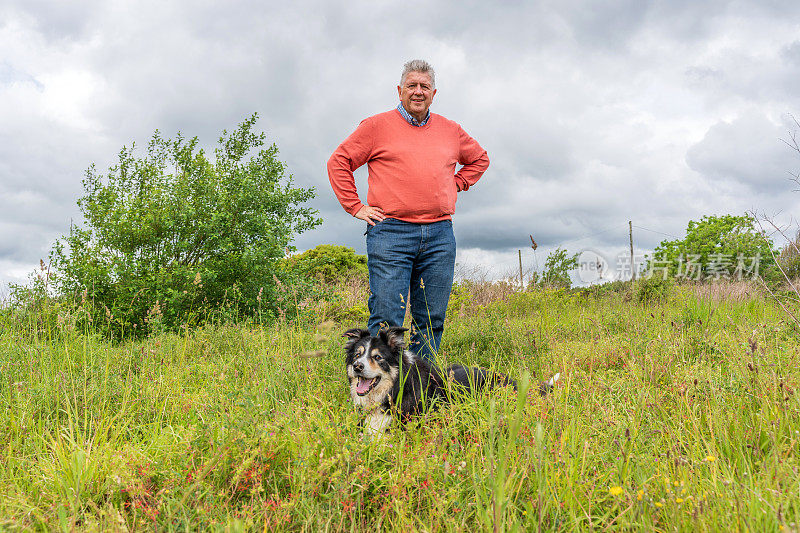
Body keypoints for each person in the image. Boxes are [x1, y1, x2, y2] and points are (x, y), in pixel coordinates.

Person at [327, 59, 489, 363]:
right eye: (412, 86)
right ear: (400, 90)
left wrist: (458, 183)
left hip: (440, 234)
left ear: (434, 92)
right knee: (388, 318)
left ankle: (420, 387)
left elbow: (480, 159)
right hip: (390, 233)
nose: (418, 91)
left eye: (424, 86)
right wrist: (355, 206)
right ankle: (379, 388)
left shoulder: (451, 130)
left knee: (431, 318)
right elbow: (339, 161)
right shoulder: (375, 126)